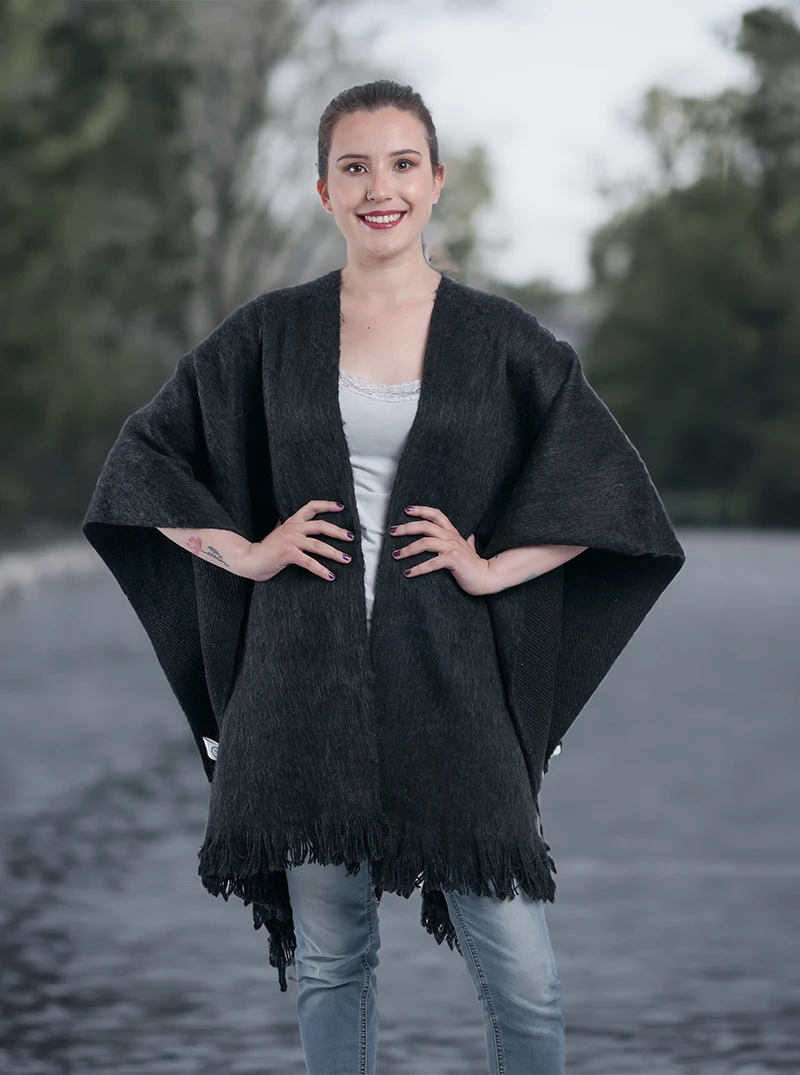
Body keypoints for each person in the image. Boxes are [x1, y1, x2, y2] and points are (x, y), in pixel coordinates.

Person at [84, 77, 685, 1075]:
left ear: (435, 181)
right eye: (354, 167)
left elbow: (607, 490)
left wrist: (492, 570)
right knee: (332, 964)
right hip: (297, 691)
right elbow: (141, 464)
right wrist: (247, 551)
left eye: (402, 164)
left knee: (526, 980)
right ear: (324, 190)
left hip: (454, 686)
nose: (380, 188)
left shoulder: (501, 339)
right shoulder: (267, 333)